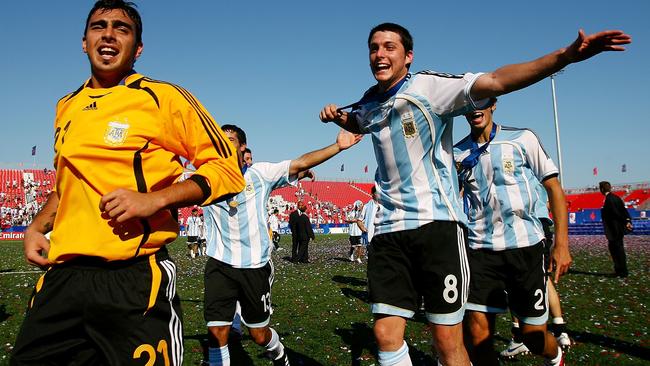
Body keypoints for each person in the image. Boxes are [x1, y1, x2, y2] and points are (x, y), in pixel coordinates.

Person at [319, 22, 630, 366]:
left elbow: (497, 80)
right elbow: (360, 122)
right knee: (386, 336)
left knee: (449, 343)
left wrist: (565, 57)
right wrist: (339, 118)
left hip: (437, 228)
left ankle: (552, 352)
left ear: (408, 57)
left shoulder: (429, 87)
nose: (380, 53)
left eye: (389, 47)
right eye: (374, 47)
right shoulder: (370, 101)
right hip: (392, 231)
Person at [11, 1, 245, 365]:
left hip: (133, 280)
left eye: (121, 28)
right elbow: (66, 184)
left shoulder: (163, 98)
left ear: (137, 49)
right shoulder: (66, 105)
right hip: (63, 278)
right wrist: (37, 226)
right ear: (84, 41)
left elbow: (228, 170)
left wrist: (154, 200)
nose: (108, 34)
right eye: (98, 26)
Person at [202, 124, 361, 366]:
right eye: (220, 141)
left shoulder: (260, 173)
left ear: (242, 146)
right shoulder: (204, 177)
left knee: (258, 334)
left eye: (231, 140)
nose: (225, 145)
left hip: (254, 265)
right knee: (216, 333)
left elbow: (299, 162)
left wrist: (337, 146)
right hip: (219, 264)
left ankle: (279, 353)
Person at [454, 99, 570, 365]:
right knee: (478, 338)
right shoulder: (457, 153)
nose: (475, 108)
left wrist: (561, 244)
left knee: (533, 338)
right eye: (469, 103)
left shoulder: (522, 138)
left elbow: (553, 187)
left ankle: (555, 358)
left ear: (493, 104)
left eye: (481, 101)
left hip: (525, 248)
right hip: (480, 251)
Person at [501, 187, 571, 360]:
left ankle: (519, 335)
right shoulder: (534, 170)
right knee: (544, 279)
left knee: (512, 278)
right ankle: (560, 330)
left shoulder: (519, 165)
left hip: (524, 223)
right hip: (539, 222)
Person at [599, 181, 632, 277]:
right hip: (617, 229)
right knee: (618, 249)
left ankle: (621, 271)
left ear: (602, 189)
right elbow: (623, 211)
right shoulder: (616, 198)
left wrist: (625, 221)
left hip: (614, 229)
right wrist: (627, 221)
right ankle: (621, 270)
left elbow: (616, 213)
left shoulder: (609, 200)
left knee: (616, 250)